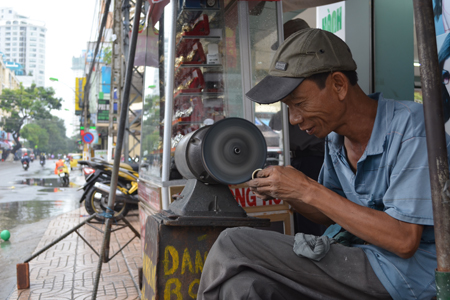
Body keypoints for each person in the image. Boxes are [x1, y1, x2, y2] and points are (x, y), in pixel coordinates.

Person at [198, 28, 440, 299]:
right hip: (357, 257)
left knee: (233, 243)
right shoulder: (336, 139)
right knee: (243, 286)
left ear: (338, 85)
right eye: (289, 108)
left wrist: (307, 189)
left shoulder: (412, 127)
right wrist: (286, 191)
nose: (293, 119)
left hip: (406, 275)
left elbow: (404, 240)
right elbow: (328, 214)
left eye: (299, 103)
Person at [269, 18, 327, 236]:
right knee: (303, 218)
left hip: (316, 158)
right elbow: (279, 120)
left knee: (315, 220)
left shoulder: (312, 75)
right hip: (301, 157)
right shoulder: (290, 78)